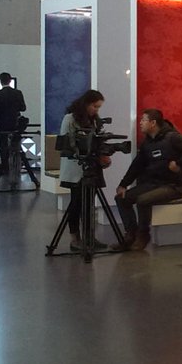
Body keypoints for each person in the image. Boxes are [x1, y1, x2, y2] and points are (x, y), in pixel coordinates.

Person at [113, 108, 182, 251]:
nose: (140, 123)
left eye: (143, 120)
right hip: (153, 184)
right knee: (121, 198)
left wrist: (179, 164)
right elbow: (137, 165)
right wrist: (123, 184)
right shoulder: (147, 143)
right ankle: (131, 234)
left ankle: (143, 235)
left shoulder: (172, 137)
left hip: (174, 186)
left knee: (143, 200)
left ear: (153, 123)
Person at [58, 90, 111, 251]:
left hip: (91, 167)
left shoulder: (95, 121)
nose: (96, 110)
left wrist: (103, 154)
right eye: (95, 106)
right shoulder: (70, 119)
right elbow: (66, 144)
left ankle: (89, 237)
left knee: (89, 205)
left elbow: (98, 141)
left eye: (98, 107)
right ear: (86, 103)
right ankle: (75, 239)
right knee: (76, 204)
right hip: (75, 168)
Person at [0, 73, 26, 184]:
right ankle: (15, 167)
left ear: (0, 82)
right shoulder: (18, 93)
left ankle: (4, 167)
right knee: (15, 147)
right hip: (14, 124)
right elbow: (23, 108)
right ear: (10, 81)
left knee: (3, 147)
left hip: (1, 125)